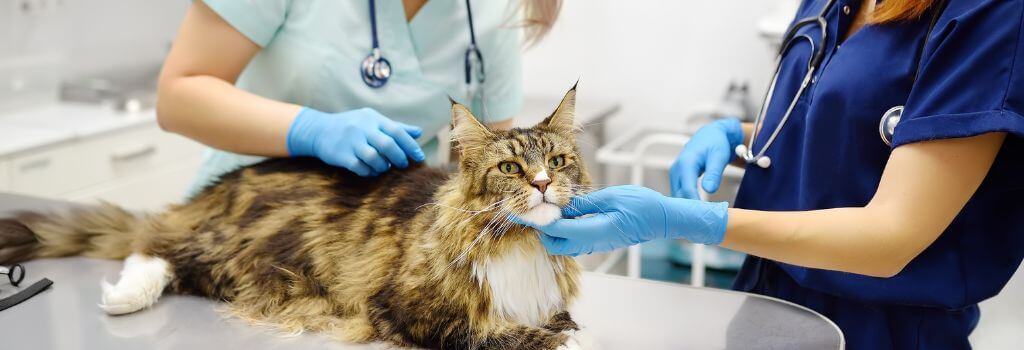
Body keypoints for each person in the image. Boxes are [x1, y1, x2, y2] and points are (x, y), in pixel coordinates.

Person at [518, 0, 1024, 348]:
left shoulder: (991, 15)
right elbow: (848, 122)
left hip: (884, 325)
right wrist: (739, 133)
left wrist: (690, 221)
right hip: (766, 298)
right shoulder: (836, 4)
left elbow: (893, 235)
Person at [156, 0, 560, 194]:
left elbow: (482, 172)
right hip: (247, 211)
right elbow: (178, 96)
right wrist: (309, 130)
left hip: (376, 238)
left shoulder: (498, 11)